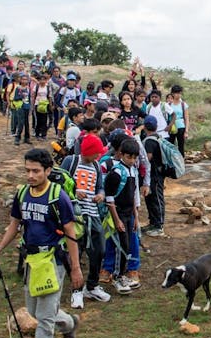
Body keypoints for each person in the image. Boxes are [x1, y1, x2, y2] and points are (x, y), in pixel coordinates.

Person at [0, 148, 83, 338]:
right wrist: (0, 247)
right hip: (32, 261)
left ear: (48, 171)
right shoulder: (22, 194)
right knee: (33, 311)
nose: (30, 175)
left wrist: (76, 268)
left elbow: (70, 233)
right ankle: (69, 323)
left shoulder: (57, 197)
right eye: (27, 170)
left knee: (45, 317)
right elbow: (14, 225)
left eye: (36, 171)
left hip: (52, 261)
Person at [71, 135, 111, 308]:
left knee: (99, 249)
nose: (98, 156)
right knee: (76, 252)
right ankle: (76, 290)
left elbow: (100, 186)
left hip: (93, 213)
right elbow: (60, 183)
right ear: (88, 151)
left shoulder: (96, 166)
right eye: (96, 153)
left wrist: (100, 195)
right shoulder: (70, 161)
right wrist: (74, 191)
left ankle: (92, 285)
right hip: (75, 215)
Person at [101, 135, 141, 295]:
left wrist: (136, 216)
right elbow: (109, 199)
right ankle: (117, 276)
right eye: (128, 157)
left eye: (134, 157)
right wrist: (116, 220)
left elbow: (133, 194)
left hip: (128, 214)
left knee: (127, 244)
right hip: (116, 214)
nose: (131, 160)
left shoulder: (133, 171)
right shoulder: (116, 173)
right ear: (121, 154)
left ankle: (123, 274)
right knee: (120, 247)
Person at [141, 116, 167, 237]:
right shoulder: (158, 137)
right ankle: (153, 222)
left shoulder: (149, 141)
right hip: (157, 174)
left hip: (154, 175)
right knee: (151, 199)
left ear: (144, 127)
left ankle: (159, 226)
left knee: (156, 199)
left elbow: (148, 158)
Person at [8, 73, 32, 145]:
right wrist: (21, 96)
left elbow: (30, 98)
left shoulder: (28, 88)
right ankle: (17, 137)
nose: (24, 81)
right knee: (20, 122)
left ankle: (27, 138)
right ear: (20, 80)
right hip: (20, 107)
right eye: (23, 79)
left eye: (26, 79)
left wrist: (30, 106)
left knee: (26, 123)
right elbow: (15, 98)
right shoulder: (18, 88)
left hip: (27, 106)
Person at [169, 84, 189, 157]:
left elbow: (186, 118)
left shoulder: (183, 105)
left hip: (181, 127)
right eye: (176, 93)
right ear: (173, 93)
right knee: (170, 145)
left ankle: (181, 164)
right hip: (171, 127)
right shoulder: (169, 105)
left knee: (181, 146)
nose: (178, 95)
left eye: (180, 93)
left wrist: (186, 131)